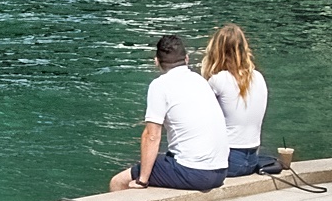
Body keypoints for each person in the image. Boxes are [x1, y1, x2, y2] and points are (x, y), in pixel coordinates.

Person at [109, 33, 230, 192]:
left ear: (156, 62)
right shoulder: (200, 81)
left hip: (195, 173)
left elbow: (151, 136)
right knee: (163, 159)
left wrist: (142, 180)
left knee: (118, 181)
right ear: (186, 59)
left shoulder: (160, 85)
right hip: (220, 171)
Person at [203, 24, 270, 175]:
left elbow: (202, 120)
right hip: (252, 160)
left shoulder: (218, 80)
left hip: (228, 159)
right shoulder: (259, 77)